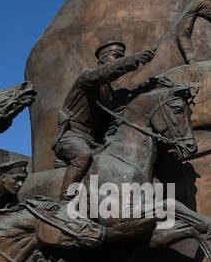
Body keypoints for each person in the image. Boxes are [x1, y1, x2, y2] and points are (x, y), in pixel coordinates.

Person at [52, 40, 154, 198]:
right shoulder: (87, 78)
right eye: (116, 56)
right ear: (103, 59)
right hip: (71, 137)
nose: (118, 59)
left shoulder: (110, 95)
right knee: (83, 156)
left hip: (94, 142)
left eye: (121, 57)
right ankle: (64, 199)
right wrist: (132, 59)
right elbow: (105, 72)